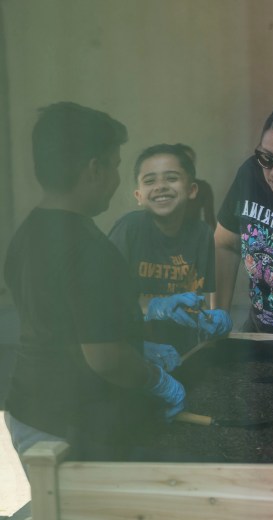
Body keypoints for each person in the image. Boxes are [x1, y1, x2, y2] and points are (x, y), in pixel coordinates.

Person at [3, 102, 191, 463]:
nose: (118, 178)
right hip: (72, 427)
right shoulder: (91, 250)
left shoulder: (26, 233)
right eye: (116, 166)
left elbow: (59, 319)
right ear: (94, 169)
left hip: (28, 412)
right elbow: (106, 359)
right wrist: (156, 379)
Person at [108, 144, 230, 346]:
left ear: (192, 190)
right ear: (139, 196)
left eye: (171, 178)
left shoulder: (202, 234)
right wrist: (155, 307)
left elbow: (202, 298)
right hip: (135, 347)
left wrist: (210, 319)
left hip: (185, 347)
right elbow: (103, 298)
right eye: (149, 181)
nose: (161, 186)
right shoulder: (129, 229)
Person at [213, 105, 273, 333]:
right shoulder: (250, 175)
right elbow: (224, 244)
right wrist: (219, 314)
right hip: (258, 330)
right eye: (266, 158)